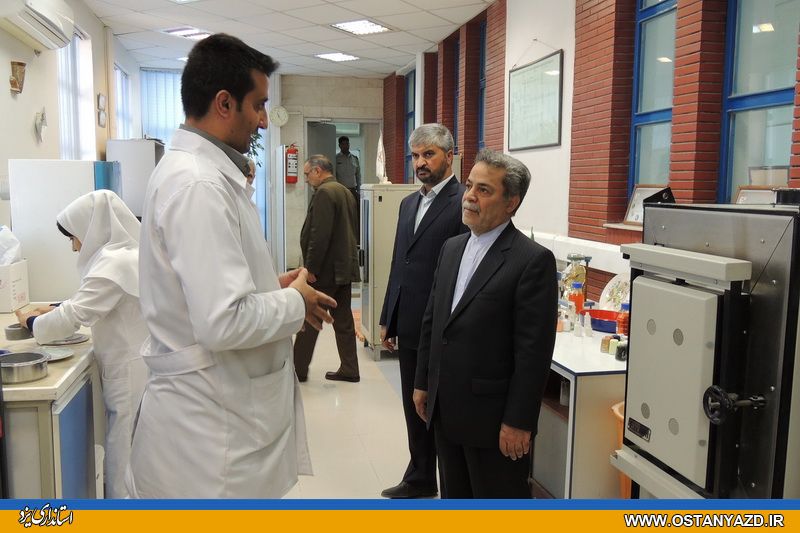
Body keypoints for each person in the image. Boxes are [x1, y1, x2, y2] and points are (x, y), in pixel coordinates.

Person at [128, 33, 336, 499]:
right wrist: (293, 301)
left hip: (215, 420)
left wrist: (269, 286)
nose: (263, 120)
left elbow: (206, 293)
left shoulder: (201, 176)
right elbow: (223, 320)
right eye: (258, 105)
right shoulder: (198, 185)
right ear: (224, 103)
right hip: (209, 440)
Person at [413, 149, 558, 499]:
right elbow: (433, 321)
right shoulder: (452, 248)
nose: (469, 197)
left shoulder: (531, 261)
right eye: (469, 186)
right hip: (446, 410)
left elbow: (533, 353)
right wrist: (422, 382)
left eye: (484, 190)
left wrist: (519, 421)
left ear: (511, 203)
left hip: (493, 423)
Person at [16, 189, 148, 499]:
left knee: (123, 452)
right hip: (136, 363)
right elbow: (94, 300)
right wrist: (55, 307)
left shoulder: (114, 263)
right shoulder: (127, 254)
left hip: (128, 370)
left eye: (73, 237)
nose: (75, 246)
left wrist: (31, 323)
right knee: (132, 447)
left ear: (91, 228)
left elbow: (78, 314)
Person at [379, 123, 468, 499]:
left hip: (443, 326)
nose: (420, 163)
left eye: (428, 154)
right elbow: (400, 262)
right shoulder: (408, 204)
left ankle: (450, 483)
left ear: (449, 156)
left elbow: (463, 270)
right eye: (415, 156)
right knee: (411, 404)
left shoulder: (463, 203)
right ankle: (419, 476)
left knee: (437, 408)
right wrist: (389, 315)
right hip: (410, 320)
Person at [293, 155, 361, 383]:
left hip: (326, 270)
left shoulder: (324, 192)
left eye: (307, 174)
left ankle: (297, 369)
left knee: (310, 317)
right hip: (343, 266)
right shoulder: (345, 191)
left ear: (318, 170)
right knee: (343, 320)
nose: (306, 179)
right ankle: (350, 368)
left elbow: (319, 234)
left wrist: (311, 268)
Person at [335, 135, 361, 205]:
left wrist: (359, 190)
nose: (345, 146)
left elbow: (358, 176)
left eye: (347, 144)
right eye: (343, 144)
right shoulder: (336, 158)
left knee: (354, 209)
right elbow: (334, 175)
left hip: (353, 190)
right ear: (339, 145)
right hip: (340, 191)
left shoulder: (355, 159)